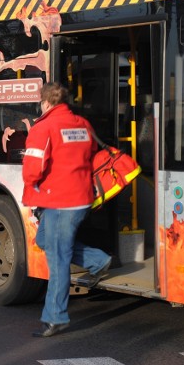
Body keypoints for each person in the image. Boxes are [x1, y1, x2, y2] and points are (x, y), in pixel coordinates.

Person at [22, 82, 112, 337]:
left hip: (59, 201)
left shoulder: (44, 127)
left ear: (46, 103)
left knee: (58, 257)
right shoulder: (82, 124)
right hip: (82, 198)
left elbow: (32, 169)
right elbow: (91, 153)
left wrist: (33, 186)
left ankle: (55, 317)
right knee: (46, 241)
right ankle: (98, 260)